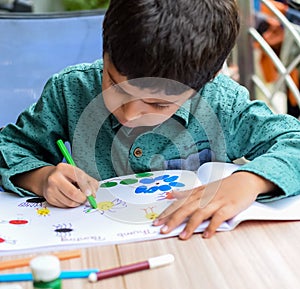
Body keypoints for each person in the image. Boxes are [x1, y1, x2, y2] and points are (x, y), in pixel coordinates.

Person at [0, 0, 300, 240]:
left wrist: (248, 181)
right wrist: (40, 178)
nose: (129, 115)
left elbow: (293, 142)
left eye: (158, 103)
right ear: (105, 52)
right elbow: (9, 147)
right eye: (115, 86)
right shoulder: (69, 91)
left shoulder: (222, 103)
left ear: (203, 85)